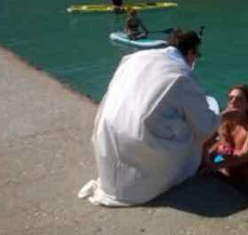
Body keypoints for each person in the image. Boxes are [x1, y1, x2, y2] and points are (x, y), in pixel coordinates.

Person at [79, 28, 229, 207]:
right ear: (190, 52)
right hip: (140, 145)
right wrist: (224, 116)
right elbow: (205, 126)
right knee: (197, 126)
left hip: (107, 133)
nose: (195, 60)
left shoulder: (134, 58)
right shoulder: (183, 74)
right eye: (196, 54)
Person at [202, 85, 248, 198]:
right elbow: (209, 140)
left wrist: (213, 166)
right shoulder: (225, 121)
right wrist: (207, 160)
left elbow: (244, 156)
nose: (233, 102)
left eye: (239, 99)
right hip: (232, 174)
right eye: (231, 98)